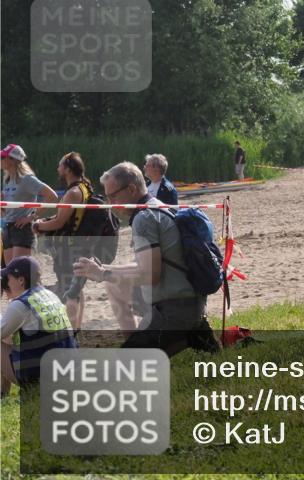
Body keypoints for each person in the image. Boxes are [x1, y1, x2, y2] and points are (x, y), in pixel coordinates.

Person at [72, 161, 220, 355]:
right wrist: (105, 270)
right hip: (191, 302)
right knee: (113, 285)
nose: (110, 204)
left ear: (132, 189)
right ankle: (193, 332)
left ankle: (185, 334)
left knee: (122, 366)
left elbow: (150, 274)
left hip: (175, 310)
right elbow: (147, 266)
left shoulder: (144, 218)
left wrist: (103, 273)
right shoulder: (157, 206)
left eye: (113, 196)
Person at [31, 152, 101, 329]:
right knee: (76, 288)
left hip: (70, 247)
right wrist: (45, 222)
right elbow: (64, 217)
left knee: (68, 290)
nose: (57, 168)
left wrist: (38, 226)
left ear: (68, 169)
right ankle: (76, 327)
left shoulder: (73, 192)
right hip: (79, 245)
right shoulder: (84, 187)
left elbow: (59, 221)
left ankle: (70, 331)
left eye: (60, 165)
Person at [1, 256, 76, 396]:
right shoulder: (50, 295)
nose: (6, 282)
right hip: (67, 373)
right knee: (9, 337)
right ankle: (3, 394)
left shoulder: (20, 305)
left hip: (40, 380)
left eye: (8, 278)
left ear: (21, 280)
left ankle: (3, 393)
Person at [1, 144, 58, 264]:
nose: (0, 159)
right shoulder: (7, 180)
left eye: (2, 156)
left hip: (23, 229)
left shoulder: (27, 179)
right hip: (8, 227)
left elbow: (52, 196)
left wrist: (31, 217)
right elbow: (4, 213)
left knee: (20, 272)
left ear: (13, 159)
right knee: (10, 275)